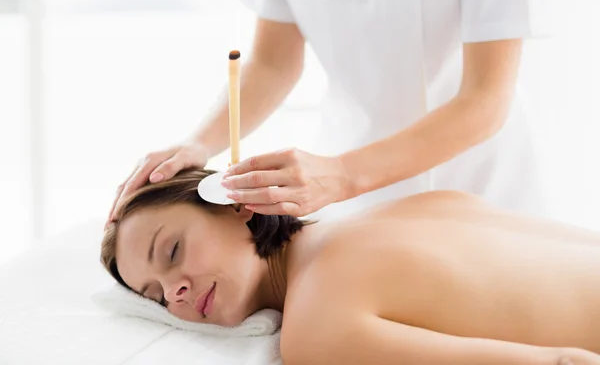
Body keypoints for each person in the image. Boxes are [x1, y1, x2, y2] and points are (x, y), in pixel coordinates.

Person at [108, 0, 553, 223]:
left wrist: (342, 175)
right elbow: (273, 62)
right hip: (352, 177)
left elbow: (484, 101)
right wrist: (200, 143)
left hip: (480, 176)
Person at [102, 168, 600, 364]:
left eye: (171, 253)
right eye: (156, 297)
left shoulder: (317, 327)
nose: (176, 293)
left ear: (237, 204)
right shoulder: (411, 205)